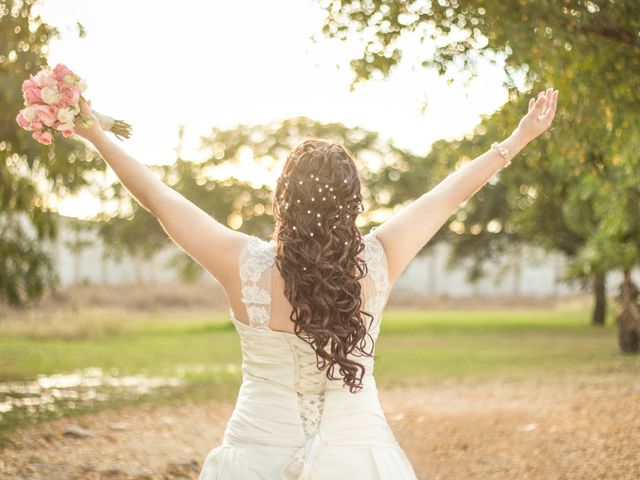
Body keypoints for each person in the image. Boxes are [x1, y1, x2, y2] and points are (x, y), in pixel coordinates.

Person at [74, 87, 558, 479]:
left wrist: (96, 134)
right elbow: (450, 194)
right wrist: (517, 139)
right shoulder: (381, 257)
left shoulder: (241, 263)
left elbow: (159, 198)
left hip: (256, 452)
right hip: (361, 457)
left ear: (283, 197)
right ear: (353, 201)